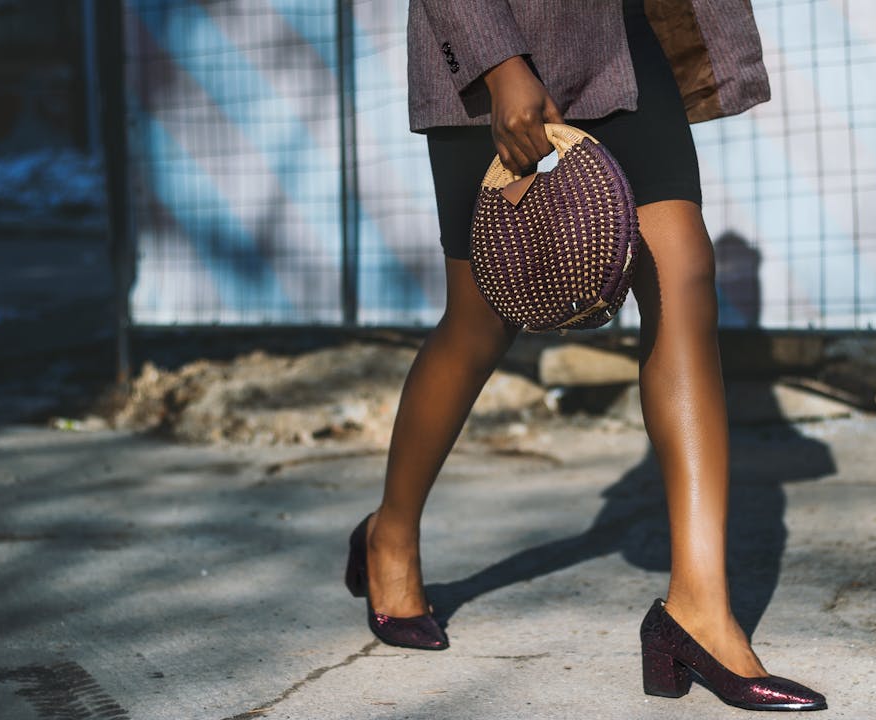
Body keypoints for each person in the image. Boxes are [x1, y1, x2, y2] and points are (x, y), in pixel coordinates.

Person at [345, 0, 828, 711]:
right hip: (503, 43)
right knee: (481, 322)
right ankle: (389, 534)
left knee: (684, 272)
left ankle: (698, 609)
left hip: (619, 39)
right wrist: (499, 63)